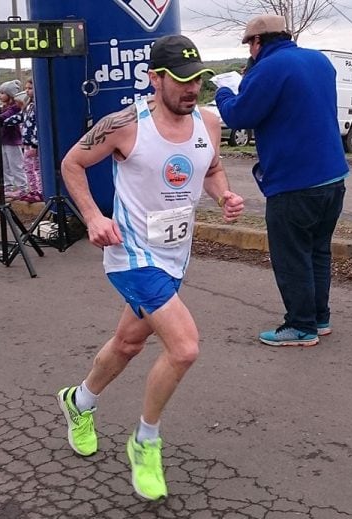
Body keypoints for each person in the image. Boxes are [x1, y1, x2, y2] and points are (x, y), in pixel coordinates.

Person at [57, 34, 245, 501]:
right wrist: (94, 216)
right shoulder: (125, 125)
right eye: (181, 80)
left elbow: (212, 168)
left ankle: (78, 402)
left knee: (127, 343)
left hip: (175, 255)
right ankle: (145, 442)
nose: (191, 89)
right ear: (154, 78)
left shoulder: (208, 122)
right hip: (132, 255)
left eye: (197, 79)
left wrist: (223, 194)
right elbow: (72, 164)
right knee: (184, 348)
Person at [214, 14, 349, 347]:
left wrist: (225, 92)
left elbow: (239, 115)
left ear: (257, 42)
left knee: (291, 255)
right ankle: (319, 317)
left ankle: (300, 327)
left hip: (294, 181)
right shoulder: (319, 61)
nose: (250, 51)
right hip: (333, 176)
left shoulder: (268, 68)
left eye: (249, 44)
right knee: (318, 251)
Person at [4, 78, 42, 203]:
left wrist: (35, 145)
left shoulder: (38, 107)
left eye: (30, 88)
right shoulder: (29, 106)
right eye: (26, 88)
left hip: (33, 145)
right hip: (26, 143)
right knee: (28, 168)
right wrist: (5, 121)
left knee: (36, 169)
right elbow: (21, 117)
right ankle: (33, 190)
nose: (27, 91)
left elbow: (37, 126)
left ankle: (40, 191)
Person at [0, 80, 26, 200]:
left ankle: (22, 187)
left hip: (12, 140)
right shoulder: (4, 107)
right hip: (3, 139)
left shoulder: (14, 107)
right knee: (5, 165)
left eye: (2, 93)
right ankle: (7, 186)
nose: (0, 95)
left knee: (16, 164)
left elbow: (5, 117)